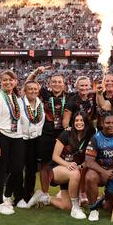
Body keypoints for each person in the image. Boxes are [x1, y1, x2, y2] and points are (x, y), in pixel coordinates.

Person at [27, 111, 94, 219]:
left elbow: (90, 158)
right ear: (73, 122)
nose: (79, 123)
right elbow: (55, 156)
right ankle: (76, 208)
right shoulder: (66, 133)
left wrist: (80, 166)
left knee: (66, 206)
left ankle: (43, 198)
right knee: (75, 173)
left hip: (73, 171)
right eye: (76, 120)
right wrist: (67, 164)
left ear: (86, 122)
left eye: (82, 120)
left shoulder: (90, 136)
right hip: (56, 168)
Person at [27, 67, 70, 202]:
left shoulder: (70, 97)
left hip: (63, 137)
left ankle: (64, 193)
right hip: (45, 135)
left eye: (60, 82)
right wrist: (36, 72)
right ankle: (45, 193)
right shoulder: (44, 94)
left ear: (64, 84)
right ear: (49, 84)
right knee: (44, 165)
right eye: (54, 82)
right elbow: (28, 85)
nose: (57, 84)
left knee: (65, 164)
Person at [0, 70, 25, 215]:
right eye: (5, 80)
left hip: (17, 137)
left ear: (15, 81)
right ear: (0, 81)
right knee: (0, 172)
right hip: (1, 137)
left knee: (17, 169)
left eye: (11, 80)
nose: (8, 82)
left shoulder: (15, 97)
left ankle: (7, 196)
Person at [16, 81, 45, 209]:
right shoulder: (20, 103)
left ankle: (28, 195)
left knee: (31, 170)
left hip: (35, 140)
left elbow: (39, 123)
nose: (33, 91)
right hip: (21, 140)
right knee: (17, 169)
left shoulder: (40, 104)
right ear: (25, 91)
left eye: (35, 89)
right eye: (30, 89)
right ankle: (18, 197)